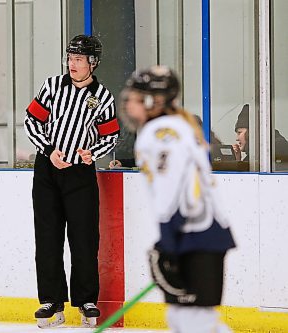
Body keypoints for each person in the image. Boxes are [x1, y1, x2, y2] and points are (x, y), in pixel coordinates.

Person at [119, 65, 236, 333]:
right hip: (197, 234)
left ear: (153, 101)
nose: (128, 103)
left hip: (195, 234)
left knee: (194, 321)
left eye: (136, 97)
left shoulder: (162, 132)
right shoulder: (172, 127)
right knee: (185, 319)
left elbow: (175, 187)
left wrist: (168, 241)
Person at [24, 34, 120, 328]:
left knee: (84, 238)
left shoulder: (103, 97)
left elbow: (111, 135)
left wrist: (92, 154)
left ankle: (86, 299)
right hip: (48, 171)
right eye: (70, 58)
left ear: (93, 63)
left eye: (79, 59)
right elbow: (31, 120)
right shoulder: (52, 86)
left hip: (80, 174)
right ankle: (51, 300)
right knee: (48, 236)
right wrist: (49, 151)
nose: (72, 63)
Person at [232, 103, 288, 170]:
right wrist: (238, 160)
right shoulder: (258, 151)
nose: (237, 139)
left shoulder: (275, 147)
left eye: (239, 133)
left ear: (252, 131)